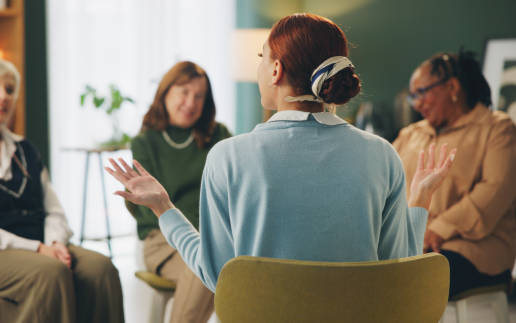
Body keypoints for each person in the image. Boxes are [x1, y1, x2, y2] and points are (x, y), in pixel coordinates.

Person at [106, 13, 455, 292]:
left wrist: (163, 207)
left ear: (275, 70)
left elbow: (219, 279)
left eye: (262, 58)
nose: (260, 67)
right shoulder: (382, 155)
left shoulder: (227, 157)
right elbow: (397, 268)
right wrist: (420, 198)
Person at [0, 54, 124, 323]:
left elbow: (53, 209)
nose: (3, 96)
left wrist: (55, 243)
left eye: (10, 90)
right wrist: (36, 249)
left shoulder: (25, 150)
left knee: (101, 269)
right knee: (49, 271)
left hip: (40, 248)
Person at [393, 51, 516, 298]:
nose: (417, 104)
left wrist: (436, 230)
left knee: (409, 284)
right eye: (413, 97)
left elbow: (494, 190)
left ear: (452, 87)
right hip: (414, 246)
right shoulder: (410, 134)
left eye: (421, 92)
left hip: (474, 249)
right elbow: (386, 183)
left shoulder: (498, 129)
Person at [127, 61, 231, 323]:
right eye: (184, 92)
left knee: (227, 264)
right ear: (165, 93)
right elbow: (148, 209)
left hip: (217, 239)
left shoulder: (219, 136)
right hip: (162, 241)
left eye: (199, 96)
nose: (191, 102)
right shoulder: (145, 143)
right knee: (205, 266)